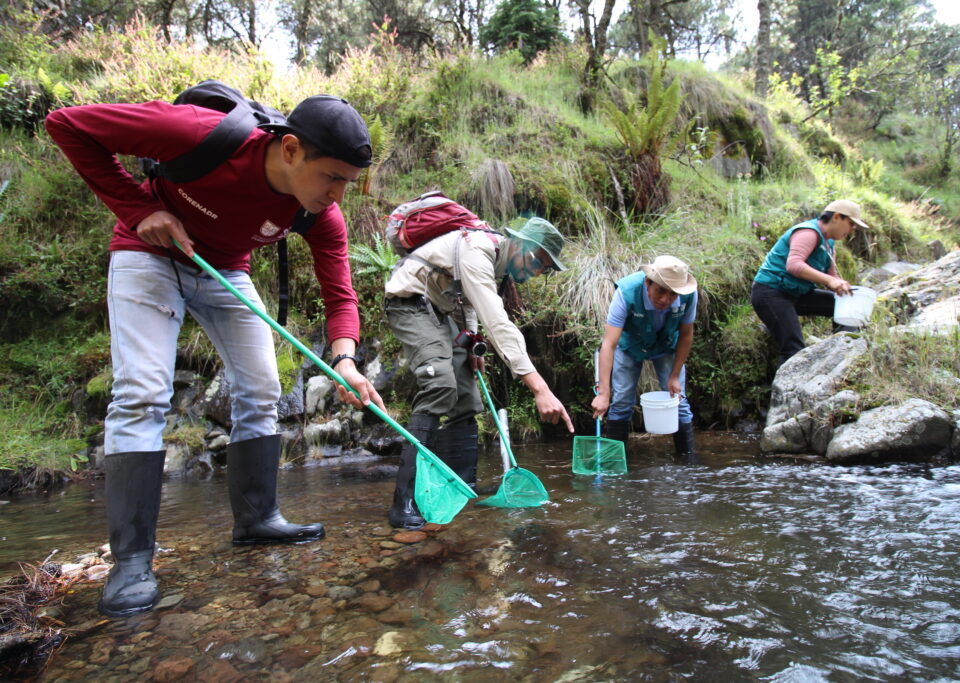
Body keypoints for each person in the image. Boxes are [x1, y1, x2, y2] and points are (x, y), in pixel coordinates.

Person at [44, 94, 386, 618]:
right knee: (143, 392)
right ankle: (132, 562)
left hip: (226, 271)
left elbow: (340, 295)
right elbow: (67, 124)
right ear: (291, 149)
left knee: (263, 388)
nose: (339, 195)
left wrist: (344, 360)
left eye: (349, 183)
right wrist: (140, 211)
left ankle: (257, 519)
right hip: (148, 258)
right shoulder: (199, 132)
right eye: (333, 177)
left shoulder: (321, 216)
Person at [384, 216, 575, 529]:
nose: (538, 271)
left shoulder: (497, 264)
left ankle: (464, 486)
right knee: (441, 384)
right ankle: (404, 501)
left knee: (468, 396)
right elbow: (498, 321)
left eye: (545, 268)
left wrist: (472, 343)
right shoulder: (479, 250)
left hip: (443, 313)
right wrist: (540, 388)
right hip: (410, 302)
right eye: (538, 261)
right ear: (519, 245)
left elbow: (468, 301)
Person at [591, 255, 700, 462]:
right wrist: (603, 393)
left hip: (667, 345)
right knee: (621, 400)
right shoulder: (626, 292)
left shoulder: (689, 295)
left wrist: (675, 375)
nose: (666, 300)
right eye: (660, 291)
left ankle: (688, 464)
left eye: (673, 294)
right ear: (648, 282)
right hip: (630, 345)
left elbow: (686, 334)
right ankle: (615, 463)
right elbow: (609, 344)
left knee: (678, 399)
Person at [751, 199, 870, 365]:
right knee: (793, 349)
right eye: (851, 224)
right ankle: (785, 389)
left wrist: (842, 286)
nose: (852, 230)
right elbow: (794, 265)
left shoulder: (829, 243)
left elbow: (831, 277)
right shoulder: (808, 233)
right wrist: (830, 280)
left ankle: (844, 356)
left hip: (797, 294)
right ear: (836, 217)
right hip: (771, 293)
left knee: (842, 305)